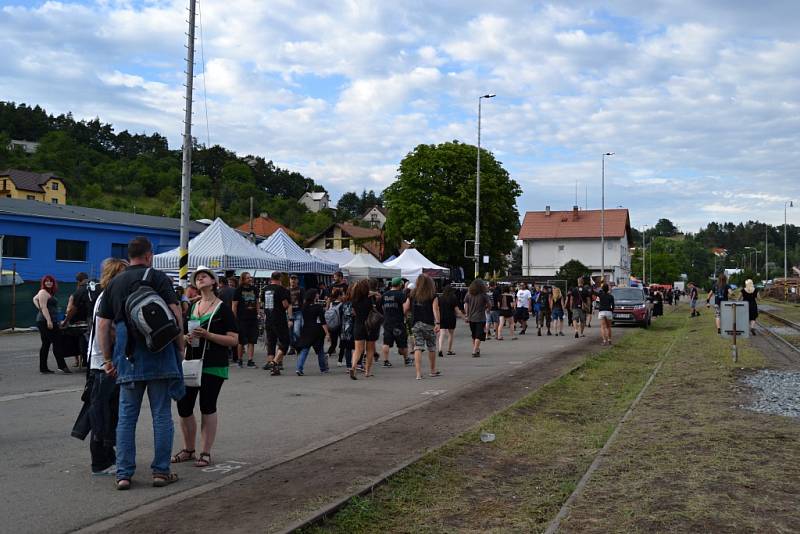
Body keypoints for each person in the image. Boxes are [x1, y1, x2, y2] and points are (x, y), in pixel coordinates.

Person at [95, 236, 184, 490]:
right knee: (161, 415)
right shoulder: (157, 278)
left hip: (128, 356)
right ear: (149, 255)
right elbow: (175, 311)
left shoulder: (114, 284)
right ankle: (160, 472)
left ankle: (123, 474)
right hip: (160, 354)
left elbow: (103, 325)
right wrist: (180, 347)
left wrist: (108, 358)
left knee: (126, 418)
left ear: (129, 255)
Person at [172, 267, 238, 468]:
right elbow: (182, 334)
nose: (200, 278)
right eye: (196, 277)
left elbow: (234, 340)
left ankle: (205, 452)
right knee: (183, 406)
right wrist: (185, 337)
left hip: (213, 364)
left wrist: (209, 336)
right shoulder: (192, 307)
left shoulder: (223, 308)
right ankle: (188, 449)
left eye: (204, 276)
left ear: (213, 281)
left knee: (207, 406)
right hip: (192, 363)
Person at [74, 258, 128, 476]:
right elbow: (110, 330)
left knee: (102, 410)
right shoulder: (109, 297)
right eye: (123, 274)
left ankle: (106, 457)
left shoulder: (104, 295)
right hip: (104, 363)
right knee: (103, 413)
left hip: (100, 362)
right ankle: (101, 461)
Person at [403, 274, 441, 379]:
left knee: (418, 348)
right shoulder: (432, 294)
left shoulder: (412, 294)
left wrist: (406, 315)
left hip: (416, 324)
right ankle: (432, 370)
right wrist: (437, 323)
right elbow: (435, 309)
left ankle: (418, 374)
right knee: (432, 347)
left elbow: (405, 308)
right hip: (429, 324)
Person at [33, 274, 70, 374]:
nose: (48, 282)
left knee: (46, 344)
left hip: (47, 320)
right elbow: (44, 307)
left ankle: (43, 368)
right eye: (46, 281)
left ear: (53, 283)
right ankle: (62, 366)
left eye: (50, 281)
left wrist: (39, 307)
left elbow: (34, 299)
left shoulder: (48, 292)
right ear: (43, 283)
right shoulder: (43, 292)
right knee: (56, 342)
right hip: (45, 321)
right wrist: (48, 320)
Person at [262, 271, 292, 376]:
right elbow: (285, 305)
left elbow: (263, 304)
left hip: (268, 318)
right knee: (285, 342)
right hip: (279, 318)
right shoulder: (281, 289)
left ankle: (273, 368)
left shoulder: (265, 289)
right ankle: (274, 363)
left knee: (271, 343)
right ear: (279, 278)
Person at [295, 288, 330, 375]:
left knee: (305, 350)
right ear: (314, 296)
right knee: (320, 350)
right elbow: (323, 321)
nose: (318, 295)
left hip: (306, 329)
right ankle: (323, 369)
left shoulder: (304, 307)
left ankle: (299, 368)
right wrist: (327, 333)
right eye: (317, 294)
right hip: (317, 330)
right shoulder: (318, 307)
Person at [62, 271, 93, 367]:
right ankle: (83, 360)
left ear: (78, 281)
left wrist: (66, 321)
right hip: (92, 318)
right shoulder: (95, 287)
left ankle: (82, 360)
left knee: (80, 338)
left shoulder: (78, 292)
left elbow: (71, 309)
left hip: (82, 320)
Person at [350, 279, 379, 379]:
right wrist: (374, 293)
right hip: (370, 325)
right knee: (370, 350)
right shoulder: (371, 298)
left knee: (358, 350)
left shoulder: (354, 299)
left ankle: (353, 366)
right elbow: (378, 298)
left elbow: (354, 313)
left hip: (358, 325)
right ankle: (367, 371)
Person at [232, 272, 260, 368]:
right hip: (241, 318)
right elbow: (234, 305)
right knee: (241, 340)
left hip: (252, 318)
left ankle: (250, 360)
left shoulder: (254, 289)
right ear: (243, 279)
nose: (250, 279)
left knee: (252, 340)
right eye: (247, 278)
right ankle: (239, 360)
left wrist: (258, 313)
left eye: (250, 277)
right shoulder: (238, 290)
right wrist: (234, 318)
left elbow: (257, 302)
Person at [381, 277, 408, 367]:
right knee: (402, 343)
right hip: (398, 322)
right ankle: (406, 359)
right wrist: (404, 315)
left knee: (386, 342)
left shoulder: (385, 295)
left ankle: (385, 361)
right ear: (400, 284)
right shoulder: (401, 295)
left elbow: (382, 307)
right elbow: (405, 309)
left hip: (387, 321)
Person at [464, 279, 491, 357]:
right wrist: (488, 309)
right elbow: (489, 304)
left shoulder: (468, 294)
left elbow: (466, 304)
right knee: (479, 335)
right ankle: (474, 350)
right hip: (480, 317)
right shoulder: (483, 295)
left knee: (474, 334)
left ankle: (476, 349)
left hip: (471, 317)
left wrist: (467, 314)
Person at [437, 284, 460, 356]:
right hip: (451, 317)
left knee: (442, 333)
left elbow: (437, 308)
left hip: (442, 317)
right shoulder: (453, 298)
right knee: (451, 334)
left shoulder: (440, 298)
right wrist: (464, 317)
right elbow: (457, 310)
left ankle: (440, 349)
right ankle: (449, 350)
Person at [287, 275, 304, 355]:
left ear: (297, 280)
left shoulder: (301, 289)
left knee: (297, 331)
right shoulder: (286, 290)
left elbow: (304, 300)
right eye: (291, 279)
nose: (293, 280)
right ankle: (292, 348)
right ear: (289, 280)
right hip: (289, 313)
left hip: (298, 312)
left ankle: (298, 346)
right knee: (290, 332)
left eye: (295, 279)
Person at [326, 288, 344, 359]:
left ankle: (328, 354)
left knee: (333, 343)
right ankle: (340, 360)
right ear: (339, 296)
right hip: (340, 325)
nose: (343, 296)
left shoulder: (331, 303)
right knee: (342, 342)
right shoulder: (342, 304)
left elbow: (327, 311)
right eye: (342, 295)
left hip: (332, 325)